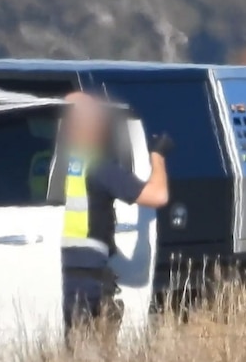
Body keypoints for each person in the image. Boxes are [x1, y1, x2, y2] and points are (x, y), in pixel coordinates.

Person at [60, 92, 173, 344]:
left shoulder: (57, 165)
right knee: (90, 346)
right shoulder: (98, 167)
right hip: (88, 273)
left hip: (62, 270)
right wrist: (158, 156)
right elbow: (158, 195)